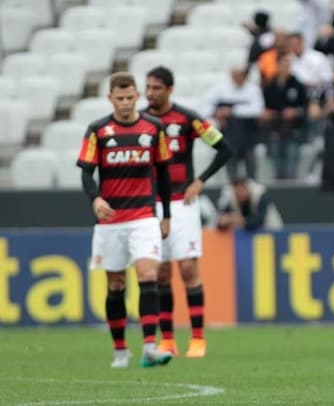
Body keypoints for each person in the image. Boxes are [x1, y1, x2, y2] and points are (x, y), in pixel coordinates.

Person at [76, 72, 174, 369]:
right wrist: (95, 198)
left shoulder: (154, 128)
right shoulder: (98, 130)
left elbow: (164, 173)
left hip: (144, 215)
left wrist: (166, 214)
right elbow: (86, 172)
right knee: (116, 284)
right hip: (111, 220)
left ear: (137, 96)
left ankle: (149, 347)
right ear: (110, 99)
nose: (125, 103)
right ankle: (120, 349)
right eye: (120, 98)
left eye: (130, 97)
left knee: (148, 274)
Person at [144, 66, 233, 358]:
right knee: (160, 272)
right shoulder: (140, 122)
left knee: (188, 268)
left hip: (183, 202)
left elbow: (224, 149)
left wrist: (200, 181)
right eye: (148, 87)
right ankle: (167, 339)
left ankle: (197, 338)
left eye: (156, 88)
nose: (150, 93)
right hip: (151, 204)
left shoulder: (187, 118)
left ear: (170, 89)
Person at [216, 177, 283, 231]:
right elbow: (220, 222)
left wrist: (240, 220)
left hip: (270, 230)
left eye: (241, 192)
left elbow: (260, 220)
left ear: (247, 187)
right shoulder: (230, 196)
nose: (240, 196)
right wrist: (227, 220)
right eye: (237, 193)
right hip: (245, 237)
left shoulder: (260, 193)